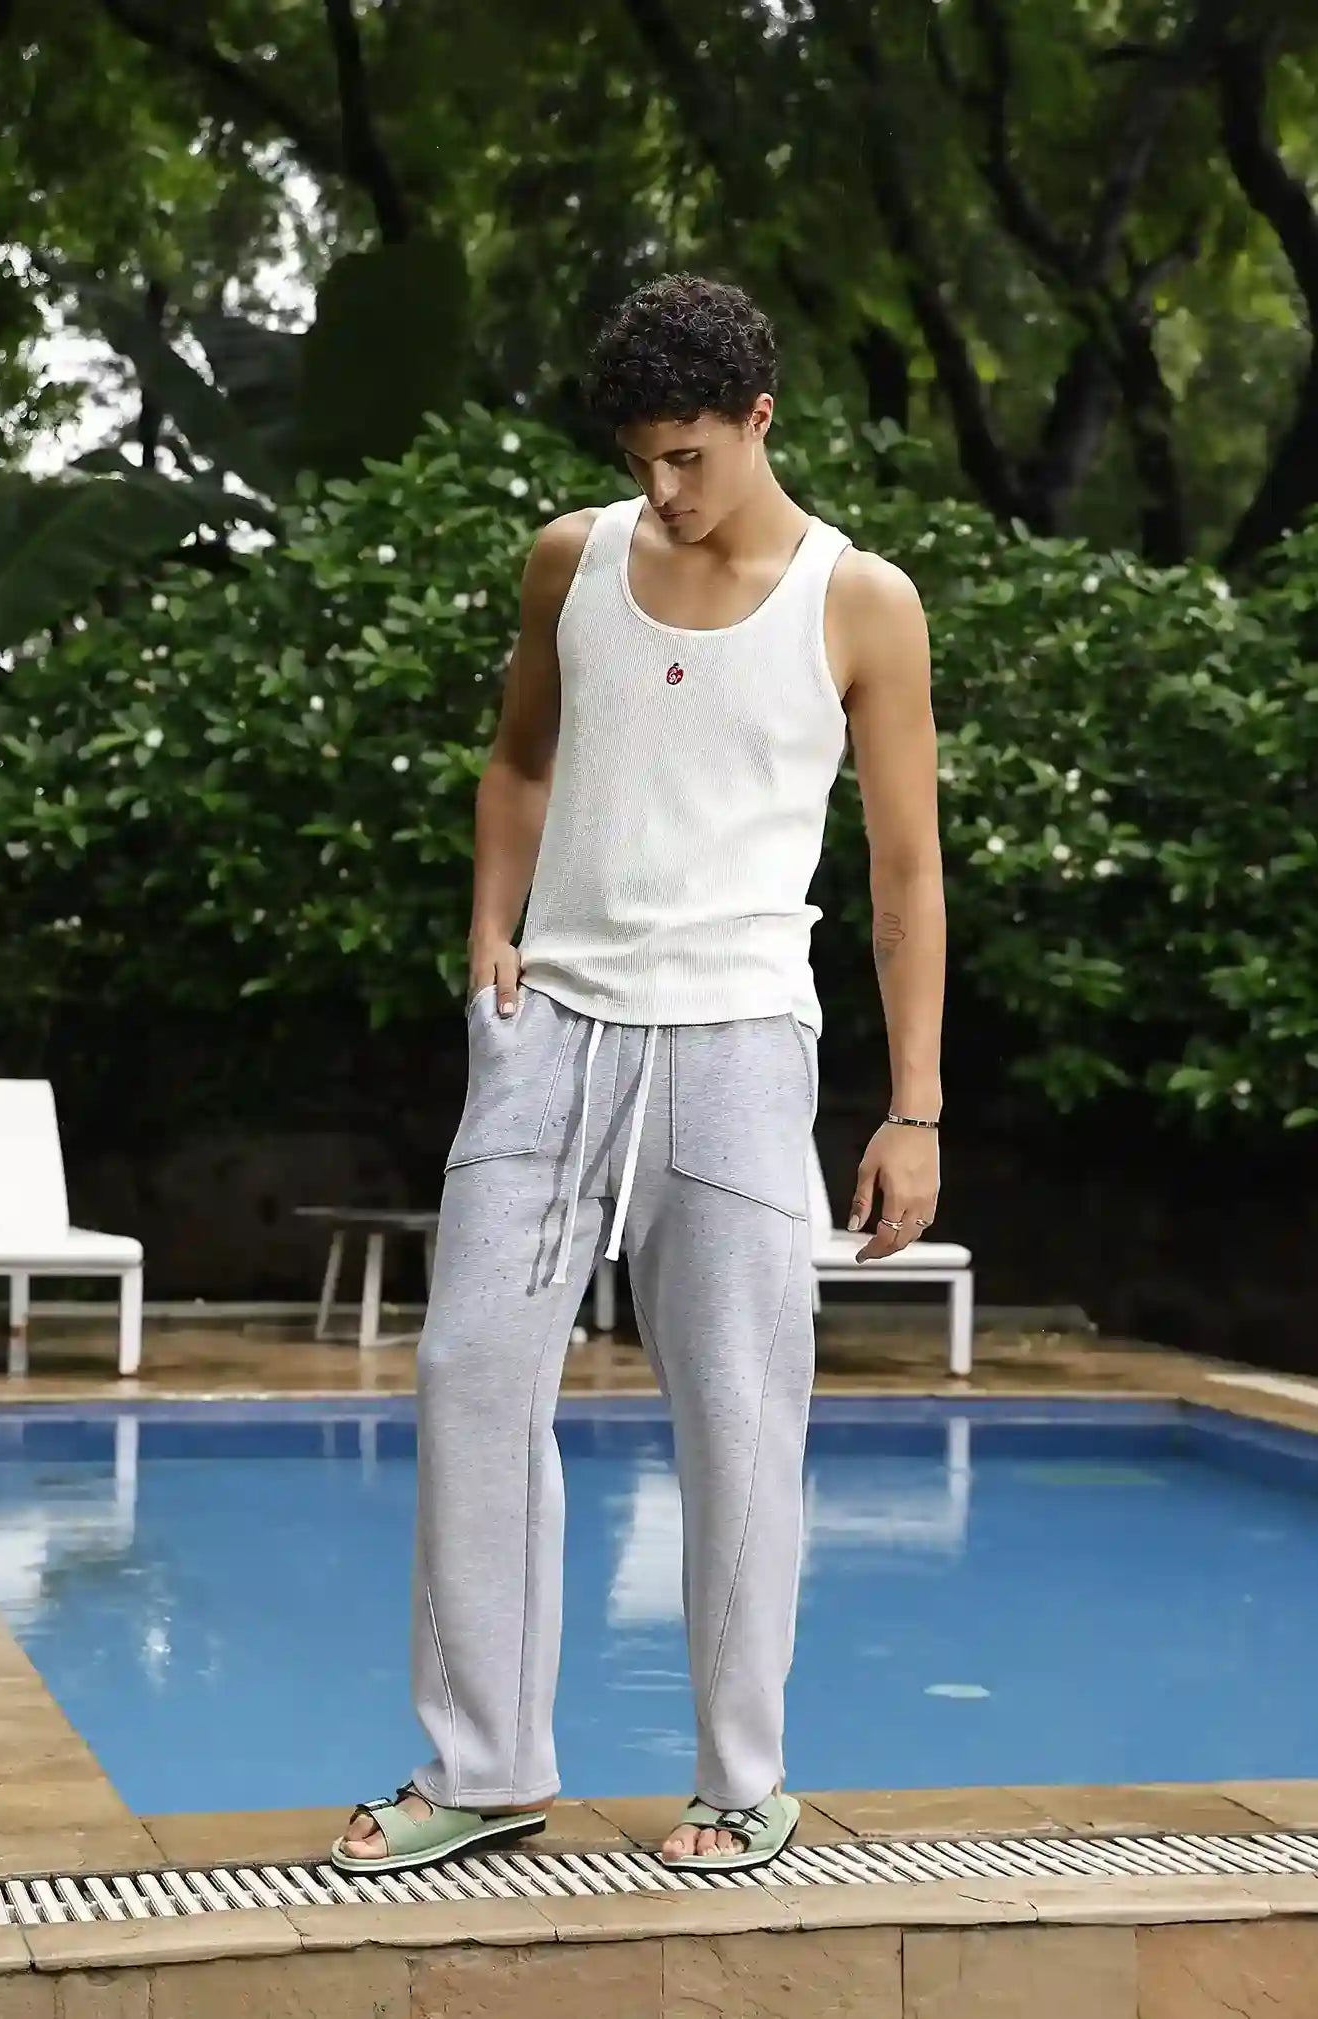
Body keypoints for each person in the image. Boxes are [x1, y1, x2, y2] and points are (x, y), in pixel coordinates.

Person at [332, 273, 944, 1877]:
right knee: (469, 1373)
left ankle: (741, 1778)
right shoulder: (572, 560)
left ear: (757, 420)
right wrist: (488, 936)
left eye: (689, 457)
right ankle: (484, 1766)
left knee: (739, 1414)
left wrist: (912, 1106)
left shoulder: (856, 599)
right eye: (640, 460)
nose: (662, 493)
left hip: (742, 1043)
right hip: (554, 1036)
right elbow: (521, 755)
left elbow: (903, 874)